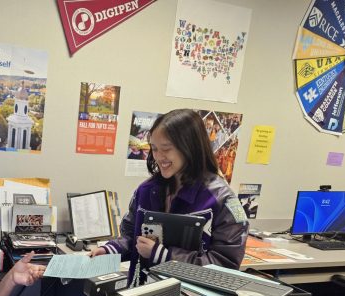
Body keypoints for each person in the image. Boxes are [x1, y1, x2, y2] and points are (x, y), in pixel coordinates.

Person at [91, 109, 248, 285]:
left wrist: (164, 256)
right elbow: (132, 237)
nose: (158, 157)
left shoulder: (220, 199)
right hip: (141, 292)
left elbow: (224, 268)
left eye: (166, 149)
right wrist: (111, 249)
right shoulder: (146, 190)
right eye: (154, 149)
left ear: (190, 148)